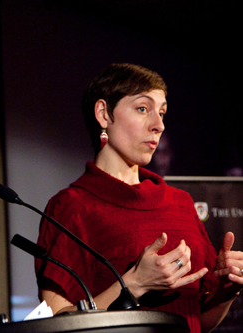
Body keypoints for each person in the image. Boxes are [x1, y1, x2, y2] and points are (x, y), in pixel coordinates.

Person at [35, 63, 243, 333]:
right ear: (103, 113)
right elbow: (54, 324)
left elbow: (196, 322)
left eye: (162, 112)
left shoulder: (179, 202)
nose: (159, 125)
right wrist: (134, 283)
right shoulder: (71, 206)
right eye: (143, 109)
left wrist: (227, 290)